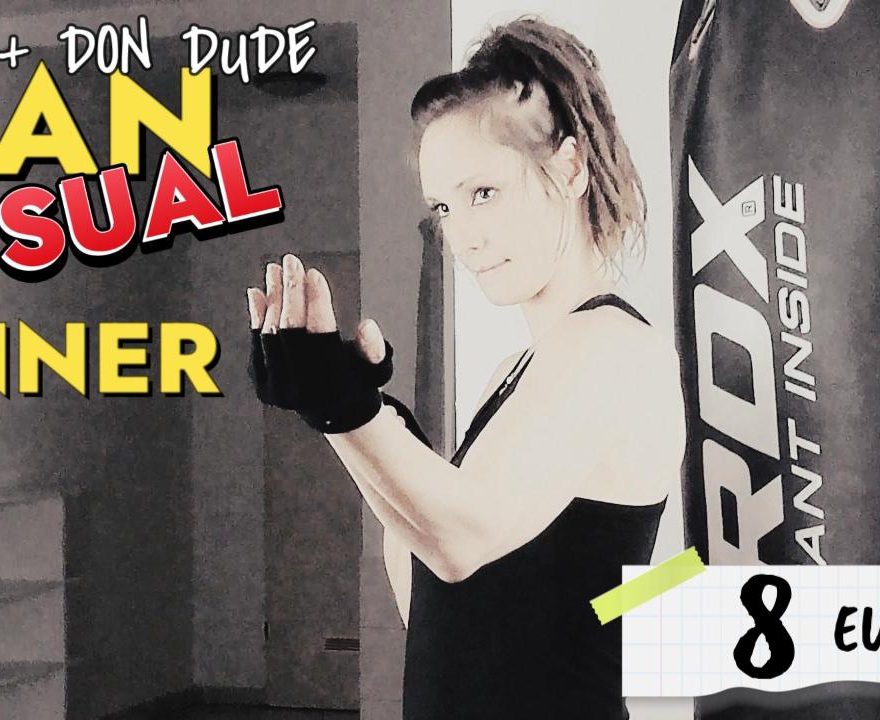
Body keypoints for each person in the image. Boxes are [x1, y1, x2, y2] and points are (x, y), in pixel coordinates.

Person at [246, 15, 685, 720]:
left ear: (570, 168)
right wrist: (354, 412)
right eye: (444, 208)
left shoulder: (612, 349)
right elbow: (432, 599)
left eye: (484, 193)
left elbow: (460, 542)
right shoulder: (517, 371)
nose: (464, 237)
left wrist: (344, 409)